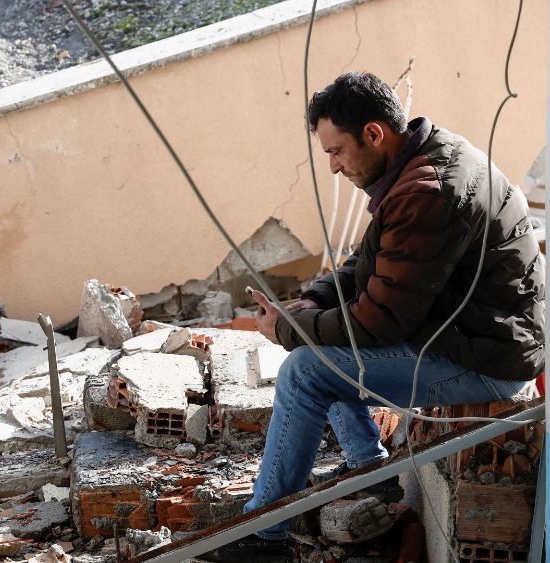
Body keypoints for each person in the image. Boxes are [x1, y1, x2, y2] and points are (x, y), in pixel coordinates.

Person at [213, 71, 545, 560]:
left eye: (337, 151)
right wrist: (312, 301)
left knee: (306, 371)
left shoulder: (426, 190)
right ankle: (373, 470)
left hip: (489, 363)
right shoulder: (422, 159)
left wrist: (288, 328)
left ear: (374, 134)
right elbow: (372, 263)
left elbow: (379, 322)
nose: (332, 166)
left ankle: (266, 535)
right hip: (473, 337)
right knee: (319, 342)